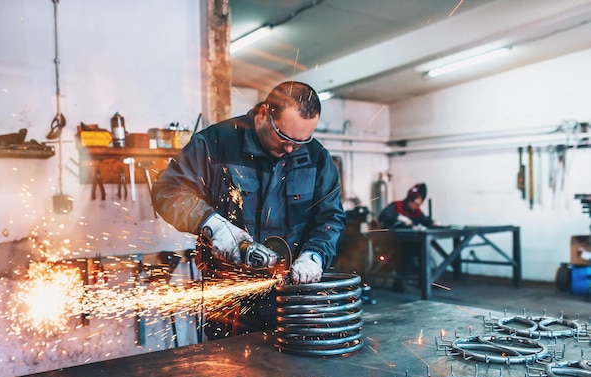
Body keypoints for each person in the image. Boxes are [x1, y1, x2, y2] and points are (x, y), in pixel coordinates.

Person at [151, 81, 346, 338]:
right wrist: (212, 224)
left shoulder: (316, 157)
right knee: (230, 374)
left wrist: (315, 255)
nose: (290, 149)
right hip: (231, 302)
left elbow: (330, 217)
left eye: (300, 142)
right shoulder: (215, 143)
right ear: (264, 113)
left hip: (295, 302)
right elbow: (168, 191)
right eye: (284, 138)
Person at [377, 183, 434, 291]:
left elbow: (425, 220)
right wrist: (399, 218)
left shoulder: (416, 211)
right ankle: (398, 283)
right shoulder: (396, 206)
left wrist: (433, 222)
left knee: (423, 251)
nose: (417, 207)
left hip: (410, 240)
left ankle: (423, 282)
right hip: (393, 240)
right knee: (408, 252)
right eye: (416, 204)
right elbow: (384, 215)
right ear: (410, 200)